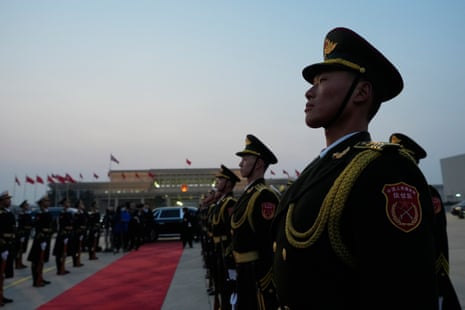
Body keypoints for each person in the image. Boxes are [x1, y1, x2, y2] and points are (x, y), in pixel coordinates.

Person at [271, 27, 439, 309]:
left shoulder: (386, 169)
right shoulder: (320, 169)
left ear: (361, 92)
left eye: (323, 81)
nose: (309, 92)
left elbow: (405, 291)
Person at [389, 132, 462, 310]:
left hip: (425, 275)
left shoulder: (428, 193)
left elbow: (438, 237)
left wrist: (439, 276)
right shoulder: (388, 189)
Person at [230, 134, 280, 309]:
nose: (240, 164)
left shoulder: (264, 196)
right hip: (244, 271)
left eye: (245, 159)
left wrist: (266, 280)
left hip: (256, 275)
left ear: (259, 164)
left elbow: (269, 243)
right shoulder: (249, 194)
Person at [210, 165, 241, 310]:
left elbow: (232, 232)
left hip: (226, 252)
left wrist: (229, 254)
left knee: (229, 289)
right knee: (222, 286)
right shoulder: (221, 203)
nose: (217, 182)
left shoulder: (230, 204)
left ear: (228, 183)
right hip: (219, 250)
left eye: (220, 179)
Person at [27, 194, 53, 287]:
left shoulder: (48, 213)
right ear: (42, 203)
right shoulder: (39, 214)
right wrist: (42, 238)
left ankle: (40, 277)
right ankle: (36, 280)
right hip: (40, 240)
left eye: (48, 201)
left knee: (42, 260)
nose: (48, 202)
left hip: (46, 239)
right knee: (36, 260)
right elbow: (37, 227)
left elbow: (52, 226)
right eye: (46, 201)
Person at [0, 191, 16, 305]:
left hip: (8, 244)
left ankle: (1, 295)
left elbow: (13, 228)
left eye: (9, 199)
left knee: (3, 272)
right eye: (7, 199)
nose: (9, 200)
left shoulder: (9, 213)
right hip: (1, 245)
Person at [53, 198, 73, 275]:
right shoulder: (62, 213)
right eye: (67, 202)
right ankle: (59, 269)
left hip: (67, 234)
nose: (69, 203)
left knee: (64, 253)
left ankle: (63, 267)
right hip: (62, 235)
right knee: (59, 252)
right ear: (64, 204)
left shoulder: (69, 213)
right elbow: (62, 225)